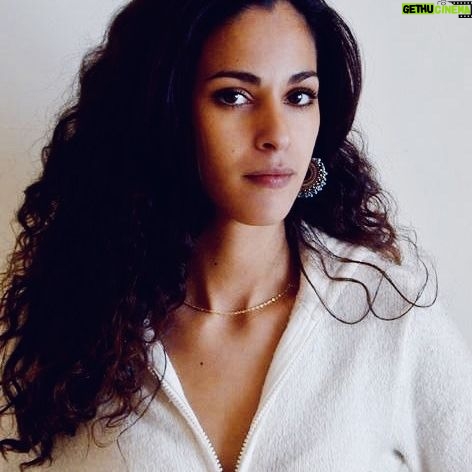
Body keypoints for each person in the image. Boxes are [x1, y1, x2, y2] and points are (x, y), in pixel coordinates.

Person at [1, 0, 471, 470]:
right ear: (164, 111)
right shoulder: (63, 333)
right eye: (233, 96)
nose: (277, 134)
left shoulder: (391, 317)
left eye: (299, 96)